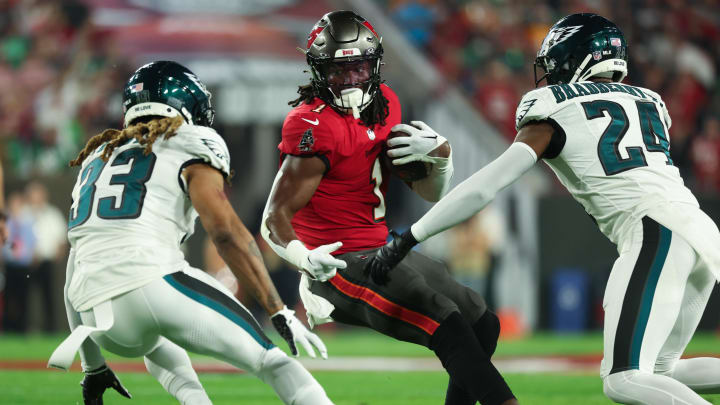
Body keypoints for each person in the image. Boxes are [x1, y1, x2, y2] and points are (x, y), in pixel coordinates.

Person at [366, 13, 720, 405]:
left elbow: (486, 186)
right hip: (700, 231)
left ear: (576, 59)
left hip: (654, 231)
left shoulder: (554, 109)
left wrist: (410, 237)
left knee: (624, 379)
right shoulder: (650, 102)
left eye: (556, 63)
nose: (550, 74)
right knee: (660, 371)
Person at [261, 10, 518, 405]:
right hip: (338, 263)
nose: (350, 80)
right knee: (441, 315)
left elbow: (431, 194)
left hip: (382, 249)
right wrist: (304, 259)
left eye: (359, 68)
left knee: (481, 321)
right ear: (318, 71)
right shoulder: (312, 124)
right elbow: (272, 218)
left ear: (375, 64)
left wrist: (441, 161)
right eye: (337, 70)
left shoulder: (387, 105)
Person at [49, 61, 333, 405]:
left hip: (96, 317)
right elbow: (226, 232)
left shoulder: (97, 157)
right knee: (273, 363)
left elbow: (76, 262)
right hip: (153, 284)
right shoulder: (189, 139)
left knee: (164, 349)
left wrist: (92, 366)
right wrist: (278, 310)